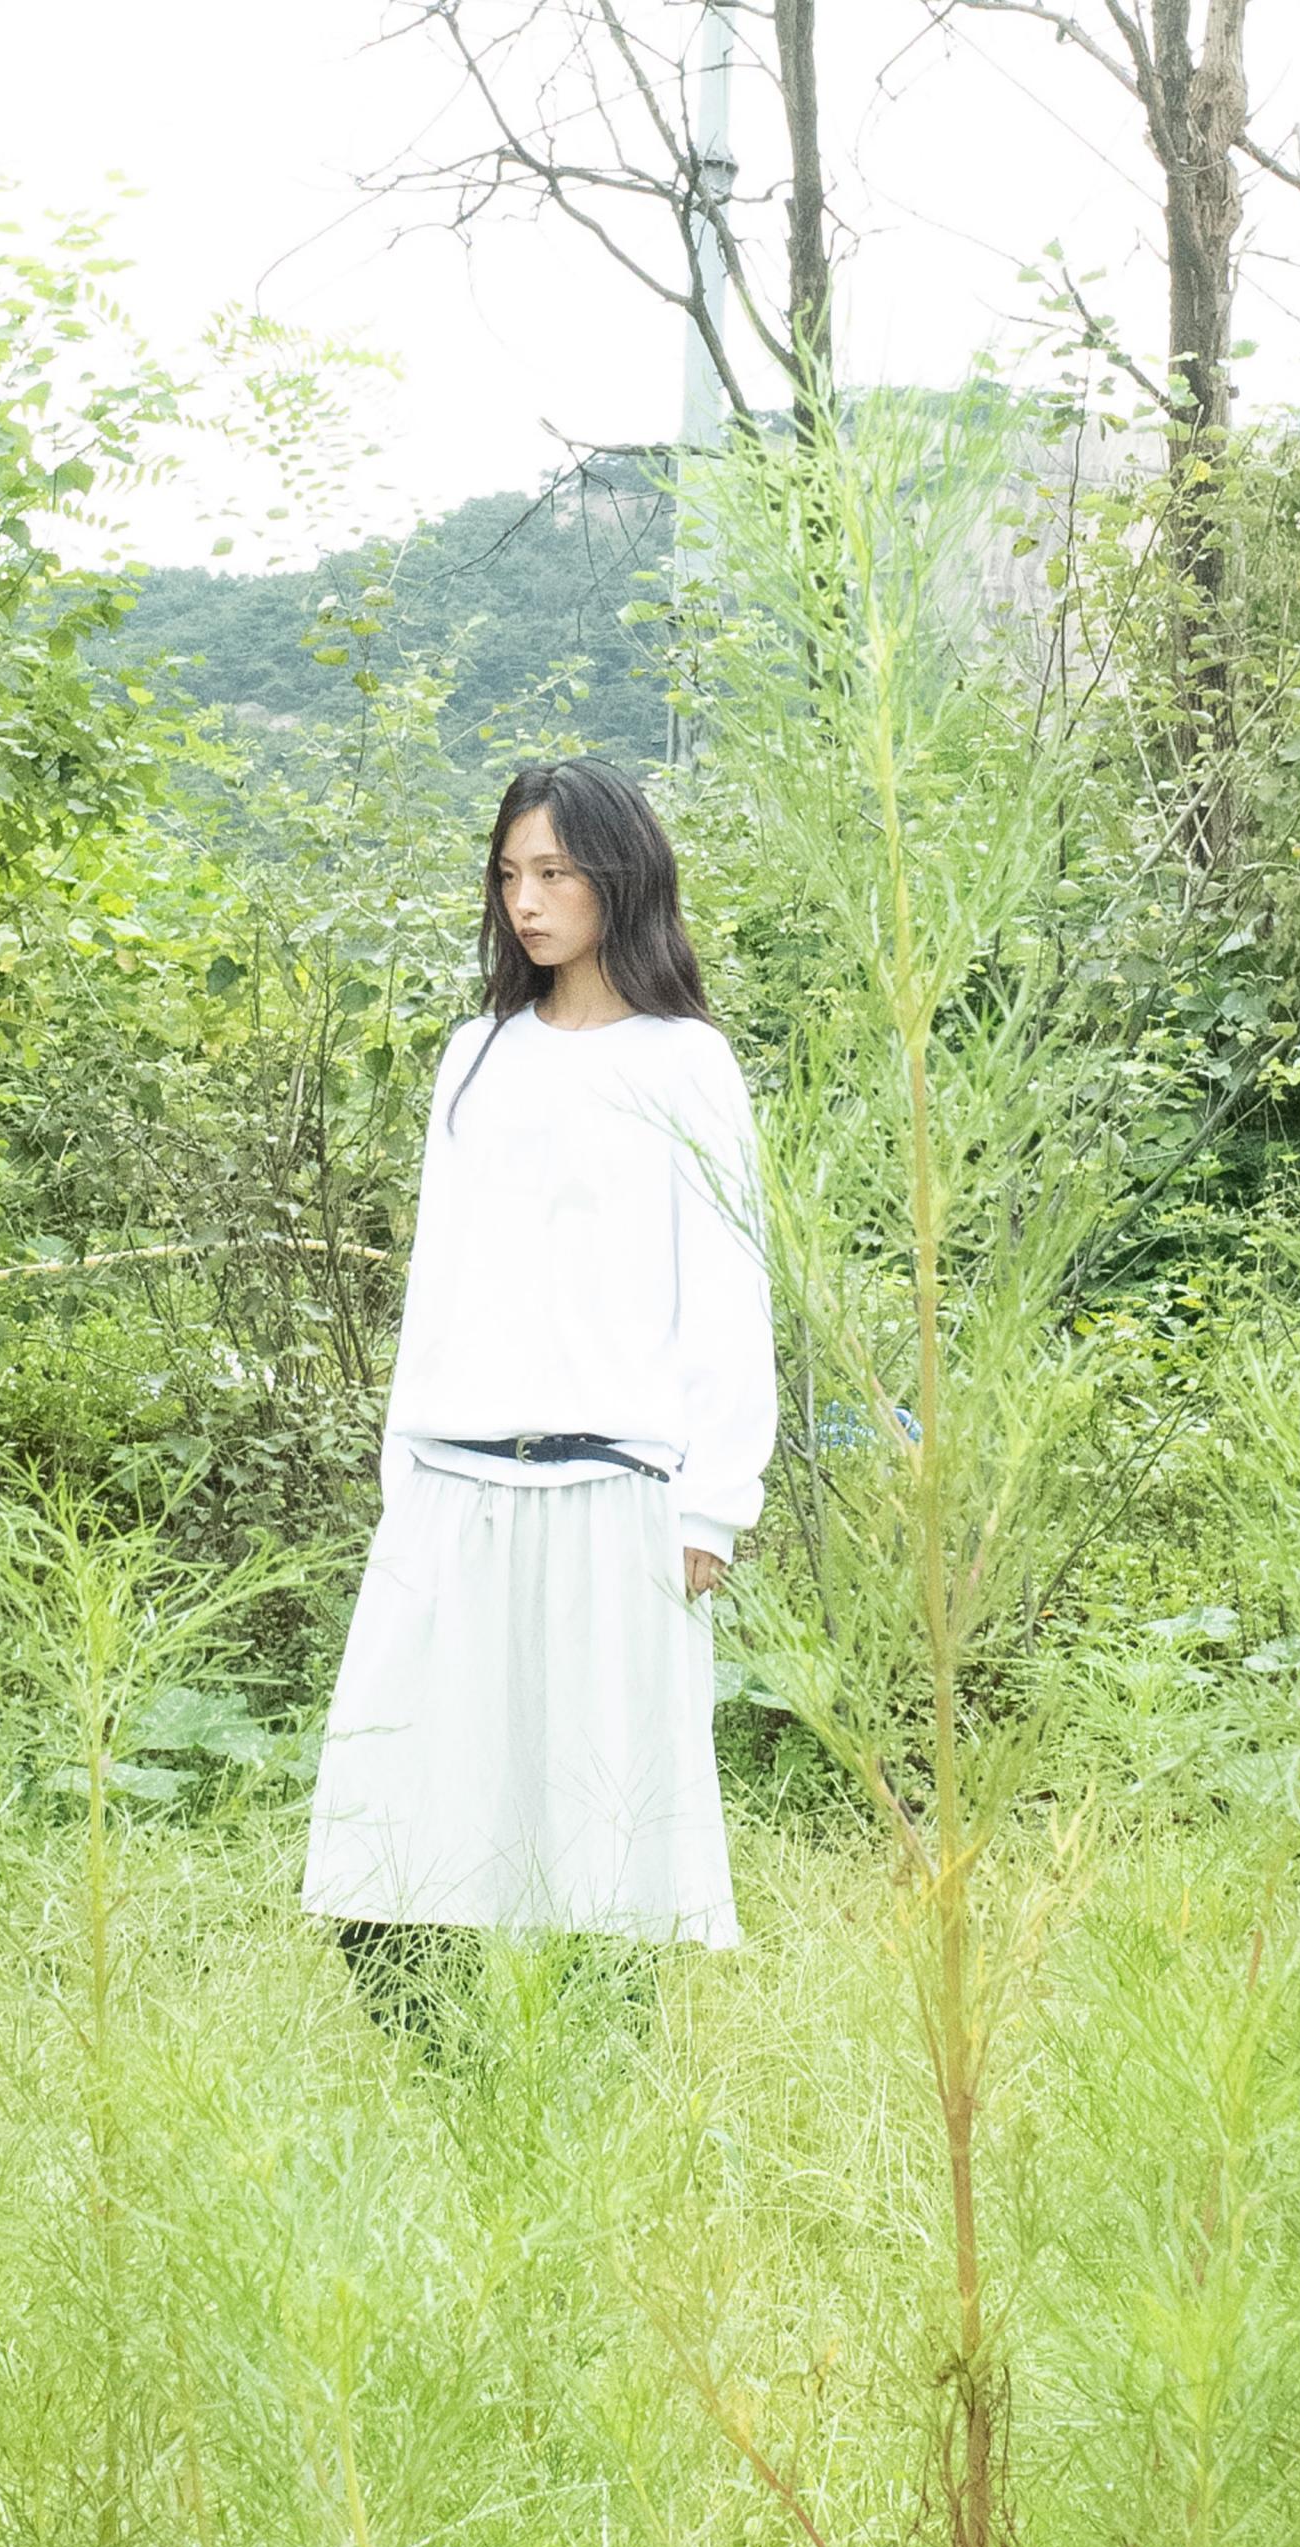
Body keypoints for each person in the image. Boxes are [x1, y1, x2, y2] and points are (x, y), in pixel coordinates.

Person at [300, 757, 778, 2012]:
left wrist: (714, 1502)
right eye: (510, 874)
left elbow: (729, 1284)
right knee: (396, 1816)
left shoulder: (685, 1064)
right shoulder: (479, 1054)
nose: (525, 900)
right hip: (455, 1479)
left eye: (555, 872)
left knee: (606, 1829)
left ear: (619, 877)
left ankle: (582, 2082)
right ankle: (456, 2071)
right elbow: (439, 1276)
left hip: (619, 1488)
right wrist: (402, 1473)